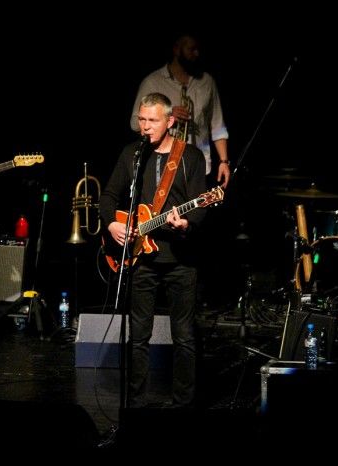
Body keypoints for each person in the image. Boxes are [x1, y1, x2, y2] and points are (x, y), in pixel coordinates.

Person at [101, 93, 207, 408]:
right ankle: (135, 404)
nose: (145, 127)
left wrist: (185, 224)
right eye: (142, 120)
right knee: (138, 336)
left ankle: (183, 404)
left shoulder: (190, 156)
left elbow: (201, 204)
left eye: (153, 120)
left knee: (184, 337)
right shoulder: (132, 154)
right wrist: (112, 224)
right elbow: (108, 196)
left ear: (170, 121)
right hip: (140, 259)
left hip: (181, 259)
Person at [130, 33, 230, 188]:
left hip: (199, 166)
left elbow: (218, 125)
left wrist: (224, 161)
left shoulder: (207, 82)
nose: (196, 54)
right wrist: (166, 116)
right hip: (162, 166)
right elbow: (135, 123)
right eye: (191, 49)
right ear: (176, 49)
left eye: (198, 49)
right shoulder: (153, 82)